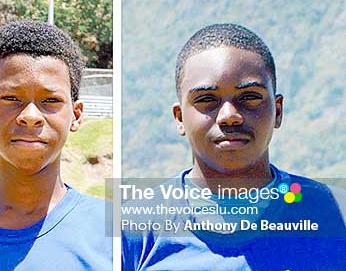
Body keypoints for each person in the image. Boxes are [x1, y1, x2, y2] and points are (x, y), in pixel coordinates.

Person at [121, 23, 346, 270]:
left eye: (249, 96)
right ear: (179, 118)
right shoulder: (131, 230)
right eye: (206, 100)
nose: (229, 115)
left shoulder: (335, 214)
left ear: (278, 111)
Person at [0, 20, 112, 271]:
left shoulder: (115, 232)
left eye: (50, 100)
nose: (30, 115)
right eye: (11, 98)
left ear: (76, 115)